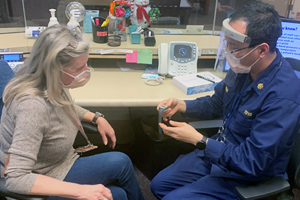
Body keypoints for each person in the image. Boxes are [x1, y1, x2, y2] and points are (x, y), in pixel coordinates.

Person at [150, 1, 300, 199]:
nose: (229, 51)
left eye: (234, 47)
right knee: (159, 185)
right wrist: (183, 105)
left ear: (262, 50)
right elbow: (217, 102)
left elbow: (252, 161)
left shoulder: (283, 95)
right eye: (227, 43)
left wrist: (199, 140)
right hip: (220, 153)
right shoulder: (244, 66)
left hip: (248, 174)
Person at [0, 24, 144, 200]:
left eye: (86, 64)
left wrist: (96, 118)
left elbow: (63, 106)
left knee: (122, 162)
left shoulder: (51, 83)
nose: (86, 72)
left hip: (60, 162)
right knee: (118, 195)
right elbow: (15, 179)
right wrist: (80, 191)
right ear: (53, 69)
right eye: (78, 68)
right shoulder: (31, 107)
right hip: (41, 175)